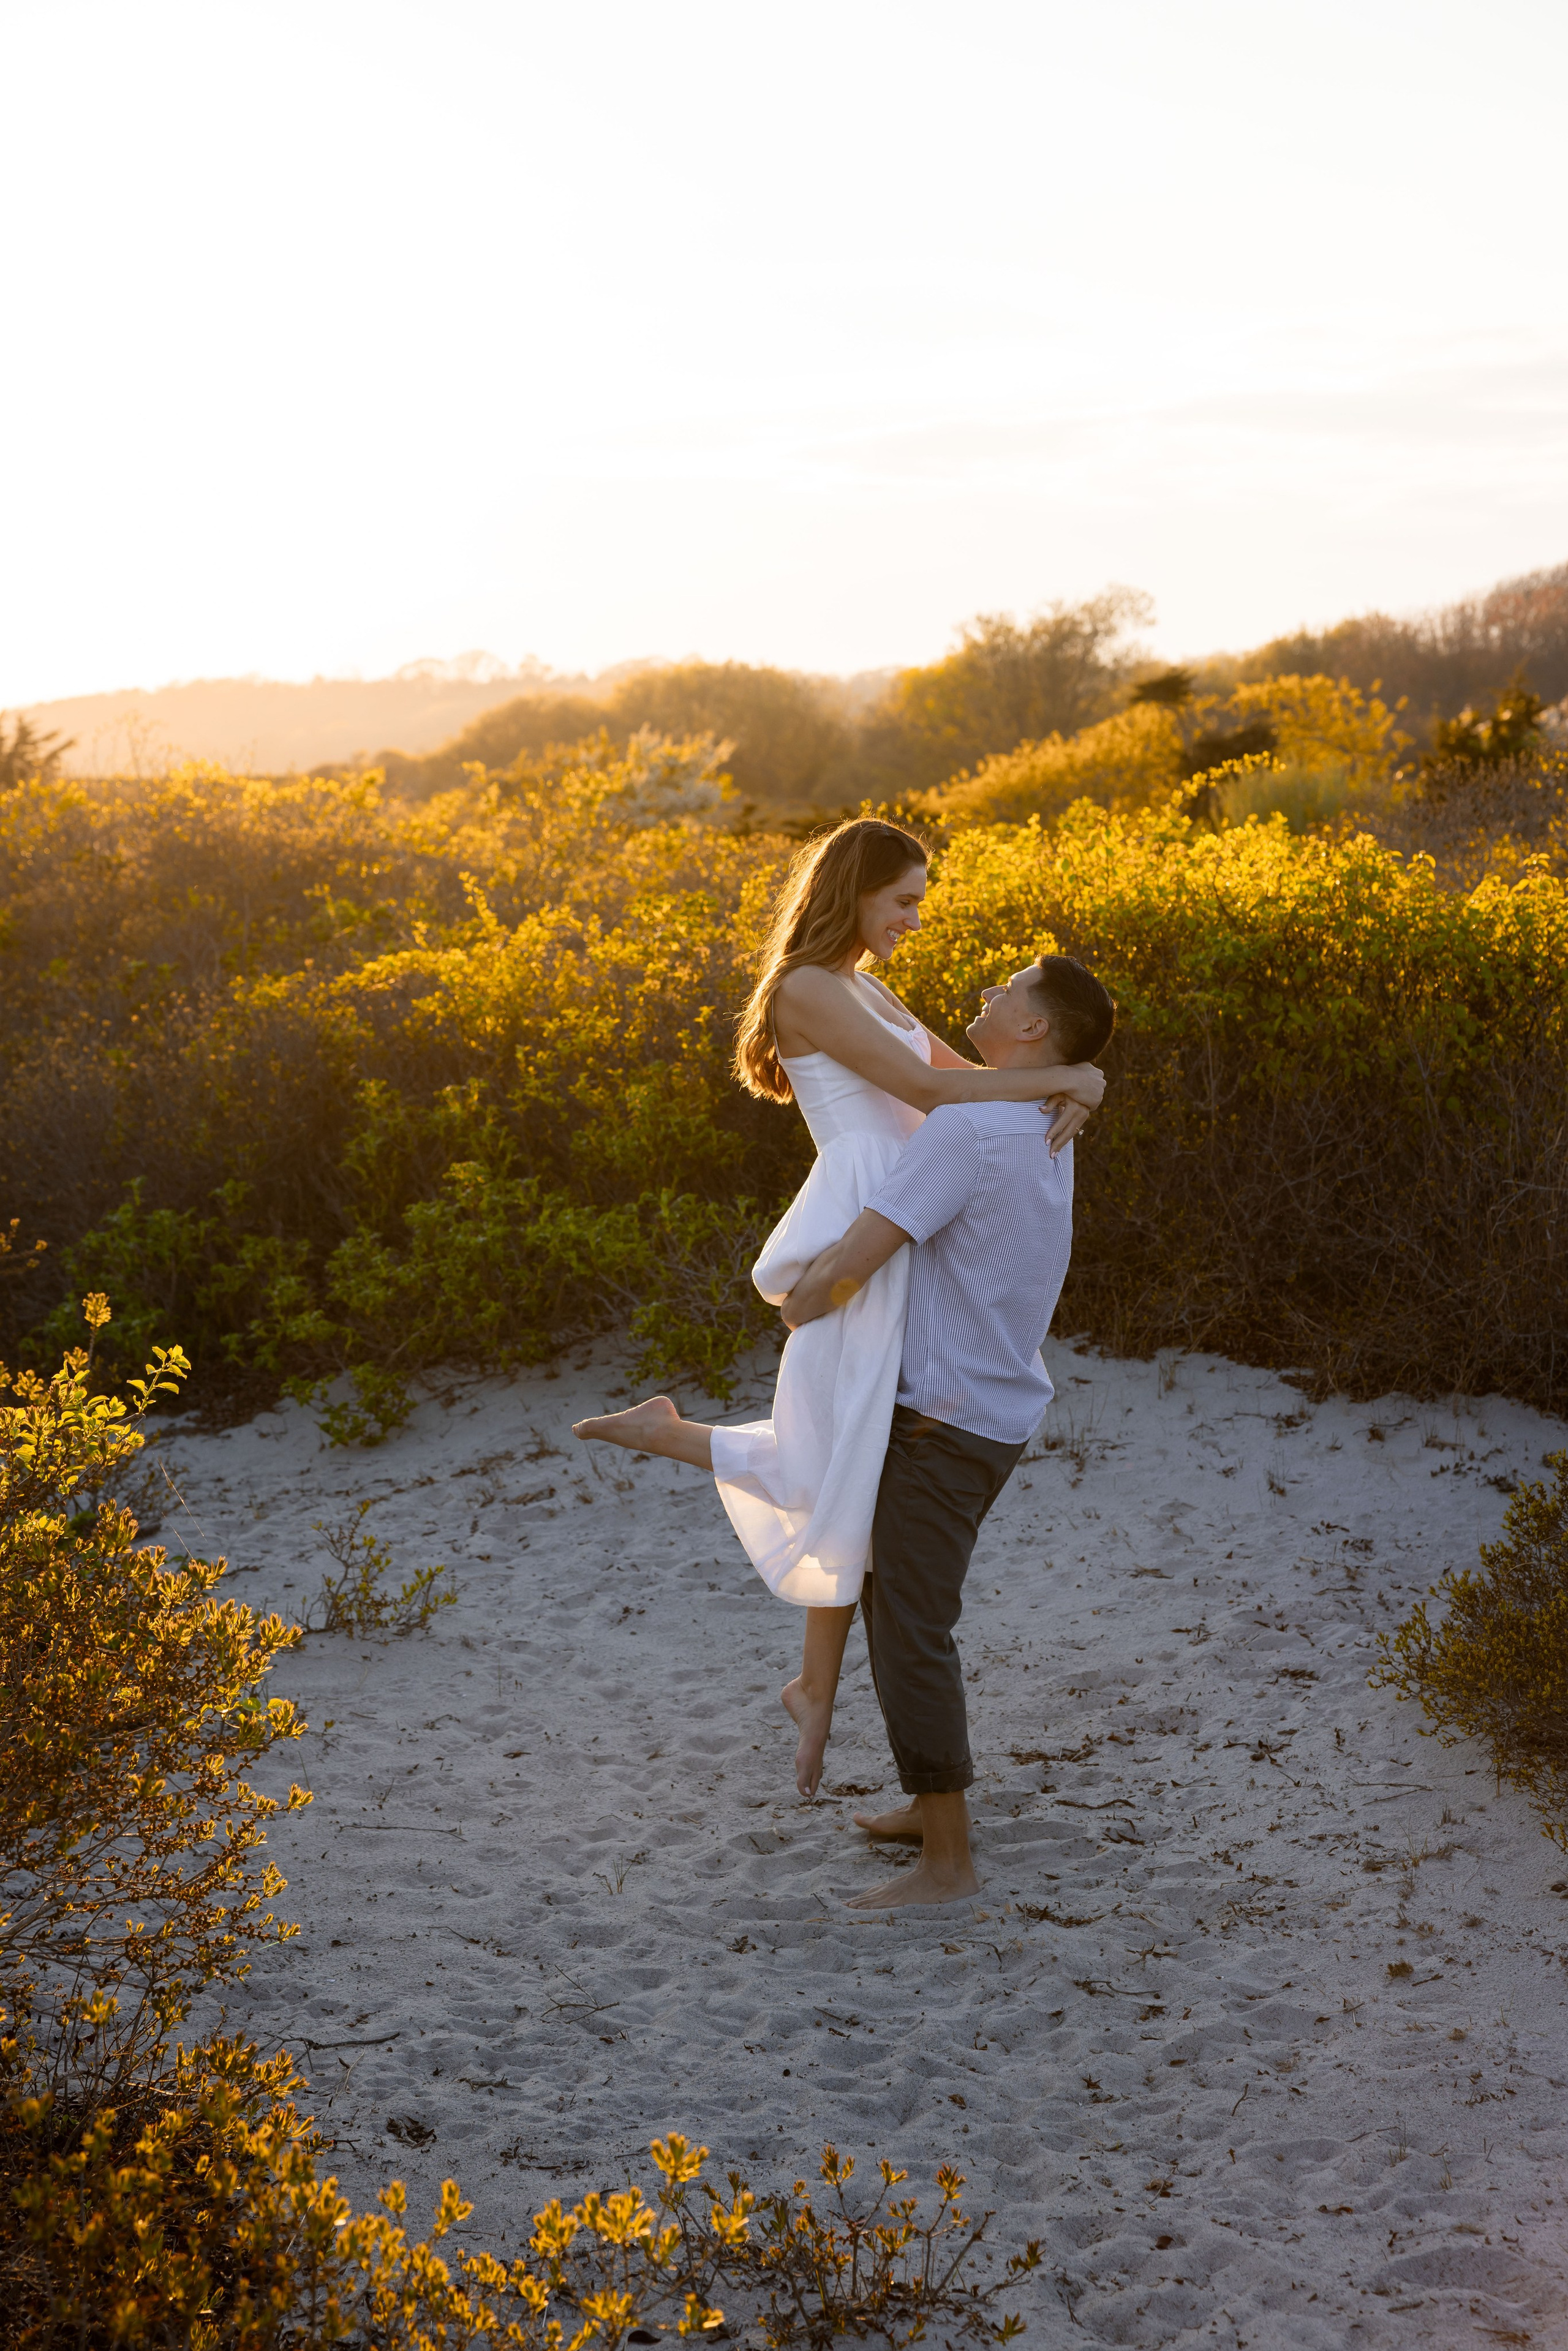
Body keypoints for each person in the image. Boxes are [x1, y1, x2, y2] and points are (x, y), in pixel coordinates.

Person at [573, 818, 1106, 1796]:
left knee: (851, 1456)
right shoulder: (809, 988)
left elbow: (974, 1080)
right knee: (843, 1452)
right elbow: (927, 1086)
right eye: (903, 899)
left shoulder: (865, 985)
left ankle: (812, 1688)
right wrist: (1075, 1073)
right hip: (866, 1210)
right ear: (853, 890)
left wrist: (1085, 1072)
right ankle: (687, 1459)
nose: (915, 919)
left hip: (901, 1210)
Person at [778, 952, 1117, 1909]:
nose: (984, 996)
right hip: (991, 1406)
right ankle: (928, 1809)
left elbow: (865, 1250)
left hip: (945, 1418)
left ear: (1034, 1031)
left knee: (913, 1632)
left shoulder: (972, 1126)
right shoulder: (1041, 1113)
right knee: (892, 1604)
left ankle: (949, 1863)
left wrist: (801, 1304)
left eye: (1003, 990)